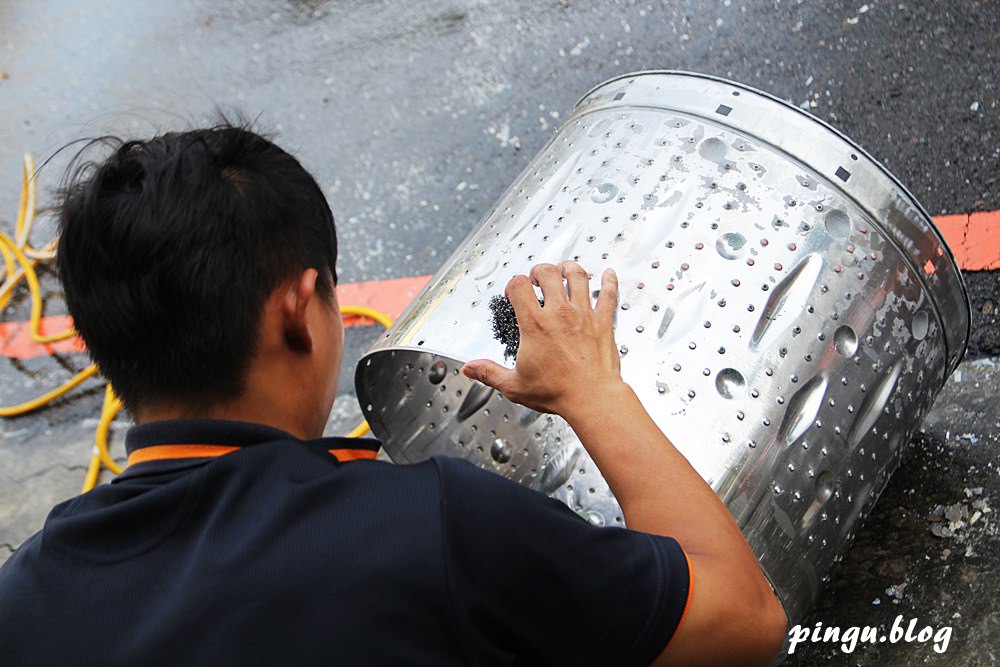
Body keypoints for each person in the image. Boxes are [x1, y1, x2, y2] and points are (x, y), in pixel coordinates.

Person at [0, 124, 786, 665]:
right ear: (300, 309)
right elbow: (744, 622)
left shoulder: (26, 597)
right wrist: (598, 391)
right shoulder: (434, 527)